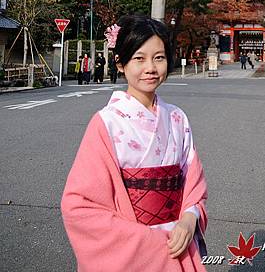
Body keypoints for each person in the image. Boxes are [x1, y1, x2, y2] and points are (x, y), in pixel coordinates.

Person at [61, 14, 207, 272]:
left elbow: (193, 186)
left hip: (177, 240)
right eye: (139, 58)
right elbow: (79, 204)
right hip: (133, 246)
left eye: (159, 57)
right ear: (120, 63)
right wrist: (147, 240)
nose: (150, 67)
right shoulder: (106, 123)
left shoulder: (177, 118)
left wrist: (189, 218)